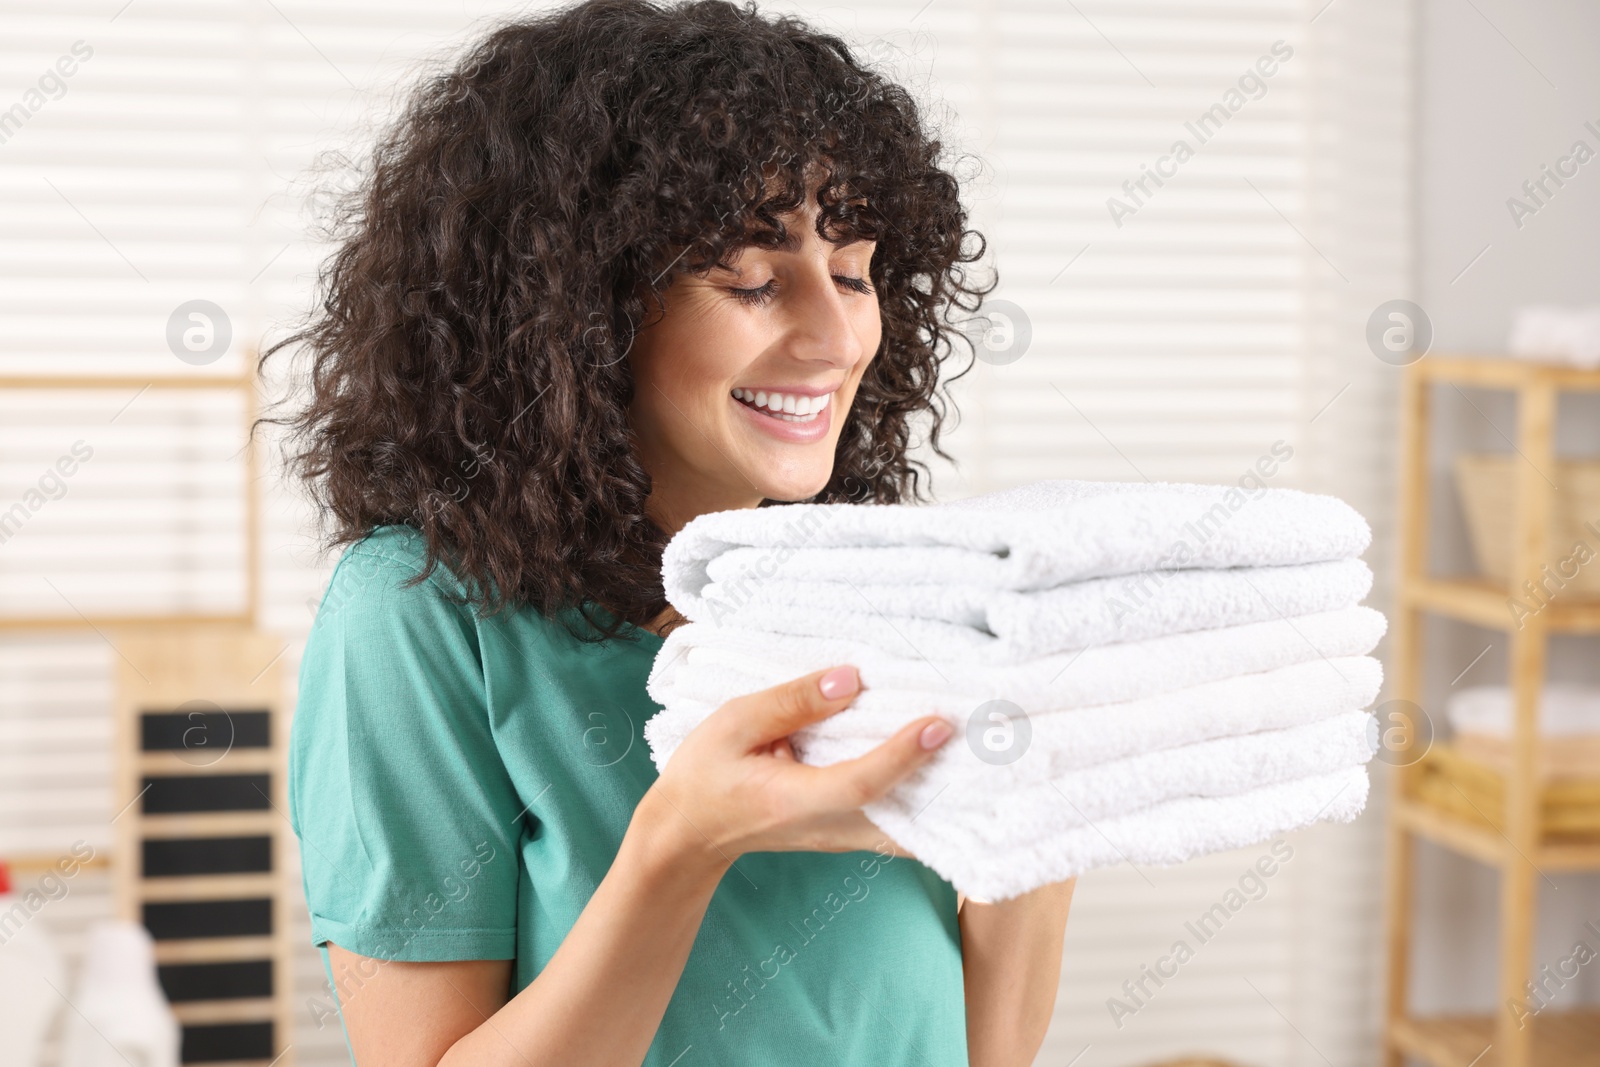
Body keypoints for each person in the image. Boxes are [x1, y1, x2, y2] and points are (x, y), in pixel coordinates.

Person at [273, 2, 1074, 1064]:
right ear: (576, 309)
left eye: (854, 271)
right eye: (752, 278)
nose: (835, 337)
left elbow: (976, 1046)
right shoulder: (419, 611)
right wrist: (682, 842)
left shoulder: (871, 591)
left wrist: (1049, 812)